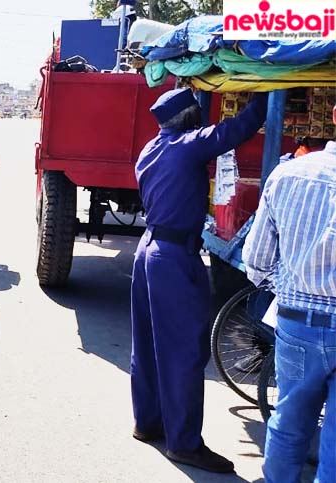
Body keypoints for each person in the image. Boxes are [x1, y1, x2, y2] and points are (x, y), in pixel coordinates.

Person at [130, 87, 268, 474]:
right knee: (185, 351)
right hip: (174, 256)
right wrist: (267, 93)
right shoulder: (187, 145)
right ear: (188, 118)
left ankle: (148, 422)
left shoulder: (150, 149)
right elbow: (237, 129)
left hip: (148, 250)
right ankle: (185, 443)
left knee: (148, 342)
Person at [244, 104, 335, 483]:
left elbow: (256, 261)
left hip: (298, 322)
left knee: (289, 422)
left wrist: (284, 279)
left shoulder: (288, 174)